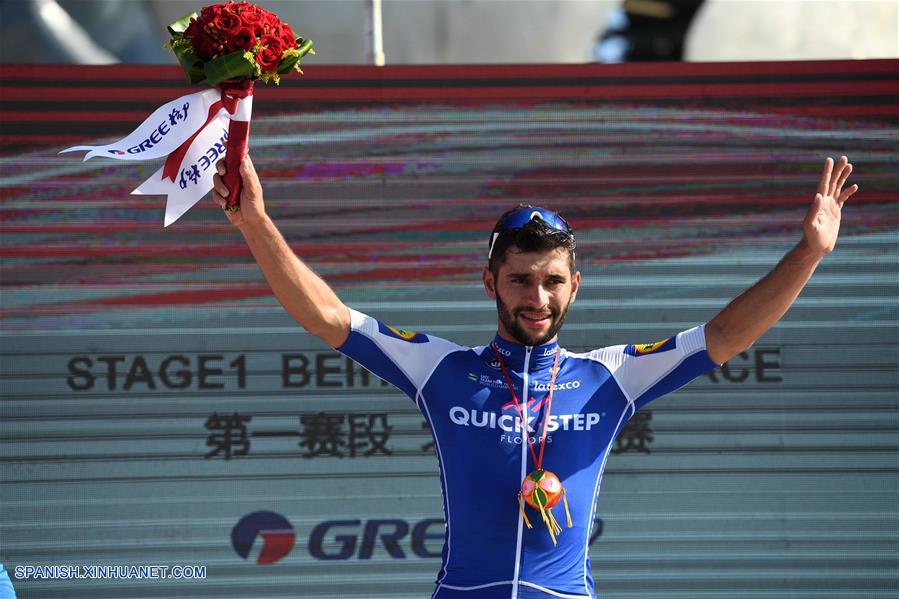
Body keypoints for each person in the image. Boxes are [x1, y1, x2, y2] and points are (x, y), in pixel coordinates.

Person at [212, 155, 856, 598]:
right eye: (520, 280)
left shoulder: (612, 377)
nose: (537, 298)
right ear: (490, 281)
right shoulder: (442, 368)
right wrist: (255, 221)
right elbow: (330, 318)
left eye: (552, 282)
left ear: (574, 287)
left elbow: (724, 338)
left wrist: (809, 253)